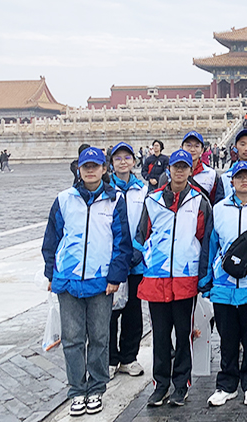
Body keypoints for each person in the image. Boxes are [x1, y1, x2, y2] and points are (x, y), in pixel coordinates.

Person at [41, 147, 132, 416]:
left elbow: (122, 242)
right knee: (72, 339)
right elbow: (52, 239)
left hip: (100, 280)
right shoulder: (64, 200)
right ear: (79, 170)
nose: (90, 171)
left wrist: (116, 276)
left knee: (100, 337)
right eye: (85, 167)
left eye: (95, 166)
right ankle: (77, 390)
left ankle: (97, 388)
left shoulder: (115, 200)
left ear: (104, 169)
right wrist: (50, 273)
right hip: (68, 280)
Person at [136, 149, 213, 407]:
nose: (179, 171)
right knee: (159, 335)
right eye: (175, 167)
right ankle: (160, 384)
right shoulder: (153, 200)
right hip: (156, 278)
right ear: (169, 170)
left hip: (184, 278)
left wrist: (202, 274)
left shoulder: (199, 201)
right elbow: (141, 236)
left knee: (183, 335)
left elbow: (203, 239)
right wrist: (146, 260)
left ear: (190, 170)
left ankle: (181, 384)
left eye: (184, 167)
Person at [199, 161, 247, 408]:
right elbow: (210, 244)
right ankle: (226, 384)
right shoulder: (219, 208)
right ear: (231, 181)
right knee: (227, 338)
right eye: (239, 176)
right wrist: (205, 280)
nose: (244, 180)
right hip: (224, 285)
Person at [107, 142, 148, 379]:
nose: (123, 162)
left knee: (133, 310)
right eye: (118, 158)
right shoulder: (106, 190)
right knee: (110, 312)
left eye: (127, 157)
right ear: (111, 163)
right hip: (112, 260)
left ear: (133, 161)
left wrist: (137, 250)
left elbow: (146, 223)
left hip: (136, 261)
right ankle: (110, 358)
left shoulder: (142, 190)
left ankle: (129, 357)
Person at [181, 131, 220, 204]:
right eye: (188, 145)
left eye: (196, 146)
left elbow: (216, 202)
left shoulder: (211, 174)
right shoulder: (171, 173)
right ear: (181, 148)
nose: (192, 149)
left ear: (202, 150)